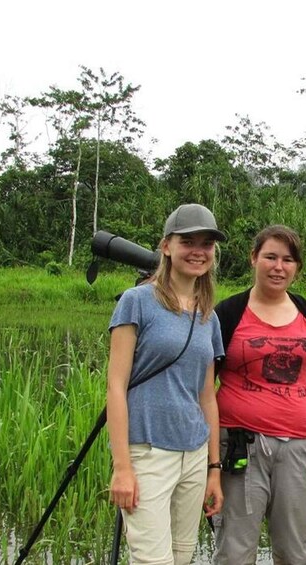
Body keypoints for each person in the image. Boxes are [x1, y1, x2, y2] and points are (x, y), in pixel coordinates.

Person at [211, 225, 306, 565]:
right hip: (240, 448)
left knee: (295, 552)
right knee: (235, 552)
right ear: (254, 258)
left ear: (297, 267)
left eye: (288, 260)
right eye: (270, 257)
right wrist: (210, 459)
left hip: (299, 449)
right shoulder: (227, 314)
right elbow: (202, 388)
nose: (278, 267)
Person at [106, 203, 226, 565]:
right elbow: (115, 386)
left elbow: (207, 398)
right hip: (149, 451)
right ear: (166, 246)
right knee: (152, 560)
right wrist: (122, 467)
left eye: (206, 244)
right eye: (187, 241)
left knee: (181, 556)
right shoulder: (137, 301)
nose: (197, 251)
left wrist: (213, 470)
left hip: (193, 452)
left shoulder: (209, 315)